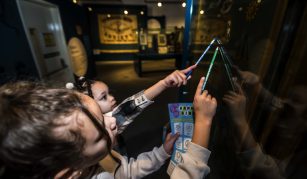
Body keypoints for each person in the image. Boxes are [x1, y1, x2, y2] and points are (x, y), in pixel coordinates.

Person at [0, 77, 217, 179]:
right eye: (100, 130)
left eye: (102, 115)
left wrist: (162, 153)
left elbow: (124, 171)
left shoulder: (87, 160)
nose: (113, 120)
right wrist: (203, 122)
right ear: (69, 175)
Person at [67, 65, 196, 134]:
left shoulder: (109, 119)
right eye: (104, 97)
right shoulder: (105, 126)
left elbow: (133, 103)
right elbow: (132, 105)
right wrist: (164, 83)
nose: (112, 98)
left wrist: (164, 83)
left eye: (109, 93)